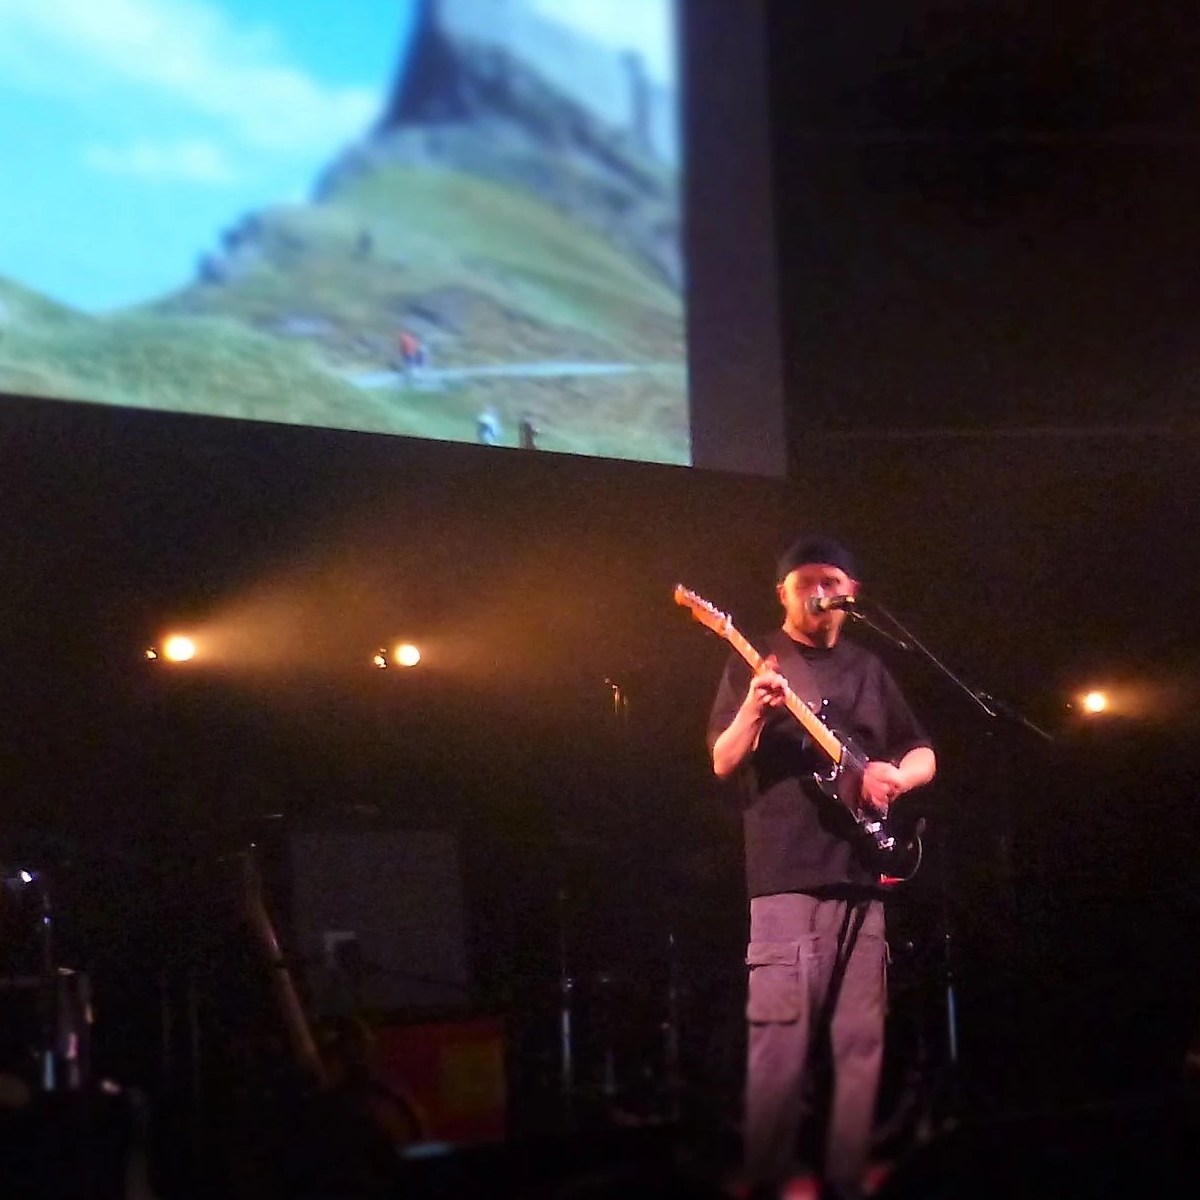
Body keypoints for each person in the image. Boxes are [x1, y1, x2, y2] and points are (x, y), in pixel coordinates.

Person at [706, 535, 936, 1200]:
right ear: (781, 592)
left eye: (829, 579)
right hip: (787, 878)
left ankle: (844, 1184)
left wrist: (897, 775)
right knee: (779, 1049)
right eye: (802, 580)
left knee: (861, 1048)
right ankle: (768, 1181)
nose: (816, 590)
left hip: (863, 876)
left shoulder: (867, 667)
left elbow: (921, 748)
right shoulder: (755, 661)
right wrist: (754, 704)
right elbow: (722, 761)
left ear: (850, 593)